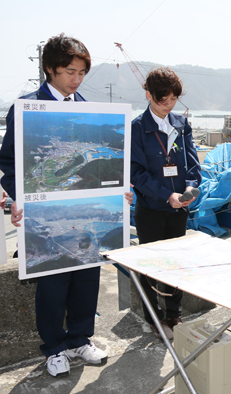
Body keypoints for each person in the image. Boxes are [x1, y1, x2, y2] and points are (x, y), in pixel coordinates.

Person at [0, 33, 114, 378]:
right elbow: (9, 163)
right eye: (68, 72)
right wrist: (19, 196)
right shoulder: (26, 107)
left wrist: (118, 191)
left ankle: (80, 338)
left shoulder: (88, 110)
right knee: (52, 282)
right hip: (46, 215)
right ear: (49, 68)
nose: (75, 80)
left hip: (85, 211)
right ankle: (53, 348)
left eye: (81, 73)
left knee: (86, 277)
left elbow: (102, 166)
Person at [131, 67, 202, 340]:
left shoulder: (181, 124)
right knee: (150, 265)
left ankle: (174, 313)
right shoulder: (138, 127)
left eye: (173, 100)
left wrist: (190, 188)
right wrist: (165, 195)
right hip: (151, 209)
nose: (168, 105)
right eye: (163, 100)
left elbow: (193, 163)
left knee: (177, 263)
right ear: (148, 95)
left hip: (179, 208)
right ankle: (154, 318)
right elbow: (136, 172)